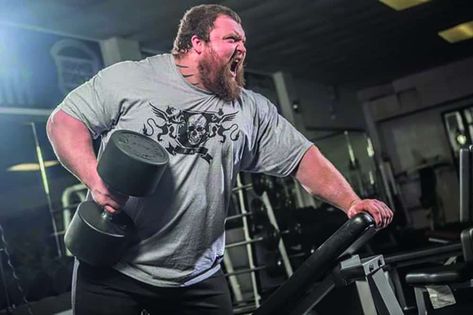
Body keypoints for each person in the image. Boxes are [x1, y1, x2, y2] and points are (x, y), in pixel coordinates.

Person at [47, 4, 393, 315]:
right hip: (115, 267)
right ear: (197, 43)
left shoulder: (251, 109)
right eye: (231, 39)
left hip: (196, 276)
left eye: (243, 42)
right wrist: (95, 179)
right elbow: (64, 122)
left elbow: (302, 158)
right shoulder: (131, 79)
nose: (242, 48)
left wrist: (351, 201)